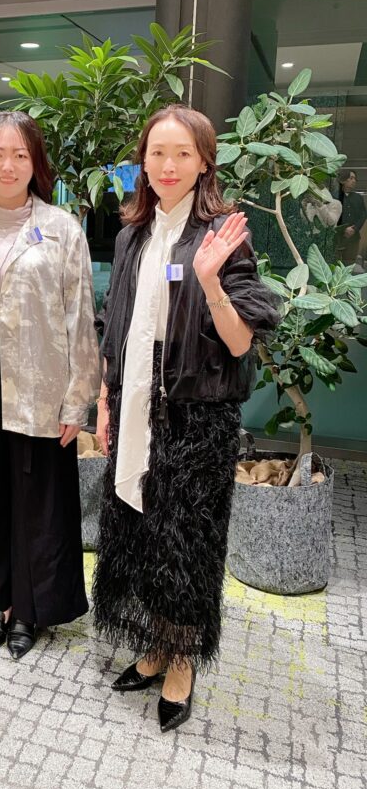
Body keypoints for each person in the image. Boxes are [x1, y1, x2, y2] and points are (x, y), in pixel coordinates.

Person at [93, 105, 279, 733]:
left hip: (196, 416)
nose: (168, 165)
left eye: (182, 153)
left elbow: (239, 342)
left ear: (204, 162)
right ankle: (154, 645)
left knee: (187, 542)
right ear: (142, 163)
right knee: (142, 531)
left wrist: (210, 281)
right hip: (136, 401)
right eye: (157, 153)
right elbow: (116, 326)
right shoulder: (132, 235)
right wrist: (105, 402)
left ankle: (182, 661)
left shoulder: (223, 234)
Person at [0, 110, 99, 661]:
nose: (7, 165)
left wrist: (78, 400)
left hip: (39, 374)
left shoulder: (61, 227)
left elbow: (80, 317)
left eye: (20, 155)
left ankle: (30, 607)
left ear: (36, 163)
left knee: (37, 494)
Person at [336, 169, 366, 265]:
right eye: (351, 178)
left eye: (355, 179)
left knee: (349, 264)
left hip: (353, 238)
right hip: (337, 237)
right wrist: (343, 229)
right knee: (335, 263)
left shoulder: (358, 198)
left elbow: (363, 215)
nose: (354, 181)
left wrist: (354, 228)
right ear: (343, 180)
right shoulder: (334, 196)